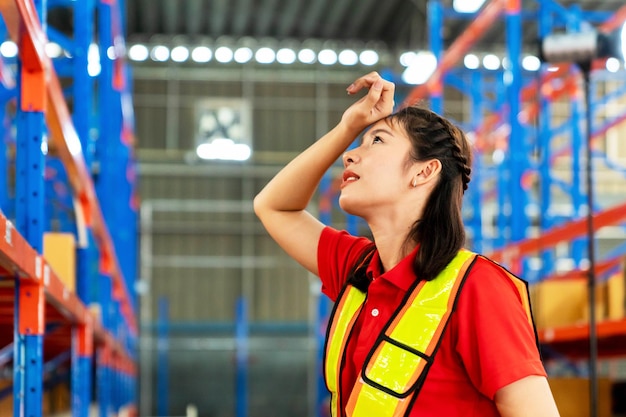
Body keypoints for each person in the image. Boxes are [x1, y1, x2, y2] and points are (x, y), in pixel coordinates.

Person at [254, 72, 560, 417]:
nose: (350, 156)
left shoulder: (477, 287)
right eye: (359, 143)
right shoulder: (359, 270)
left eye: (378, 141)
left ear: (424, 172)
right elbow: (273, 207)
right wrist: (348, 127)